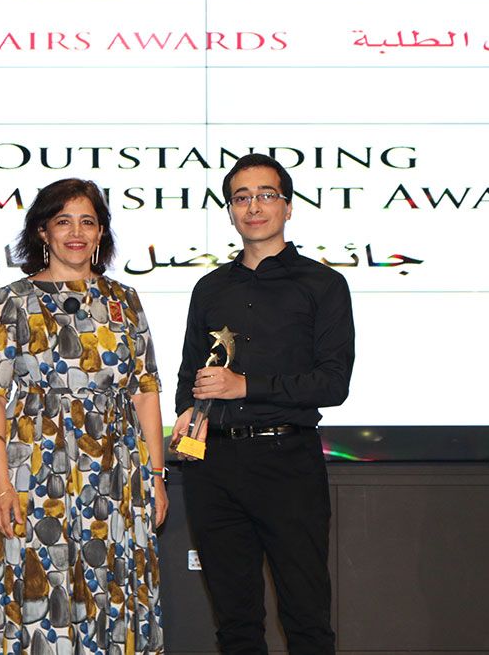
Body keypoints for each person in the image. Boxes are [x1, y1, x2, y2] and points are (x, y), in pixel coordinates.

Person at [0, 178, 167, 655]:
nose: (76, 233)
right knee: (36, 584)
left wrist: (156, 477)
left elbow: (145, 391)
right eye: (63, 221)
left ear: (101, 233)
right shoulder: (11, 300)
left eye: (87, 222)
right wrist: (1, 484)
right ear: (42, 232)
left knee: (112, 588)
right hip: (34, 468)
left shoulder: (125, 300)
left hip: (116, 473)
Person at [171, 153, 355, 654]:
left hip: (287, 462)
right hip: (213, 466)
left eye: (266, 195)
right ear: (231, 211)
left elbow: (333, 383)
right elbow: (190, 375)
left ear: (288, 207)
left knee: (306, 617)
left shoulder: (323, 284)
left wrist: (245, 386)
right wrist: (187, 412)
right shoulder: (209, 288)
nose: (254, 206)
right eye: (242, 197)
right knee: (235, 623)